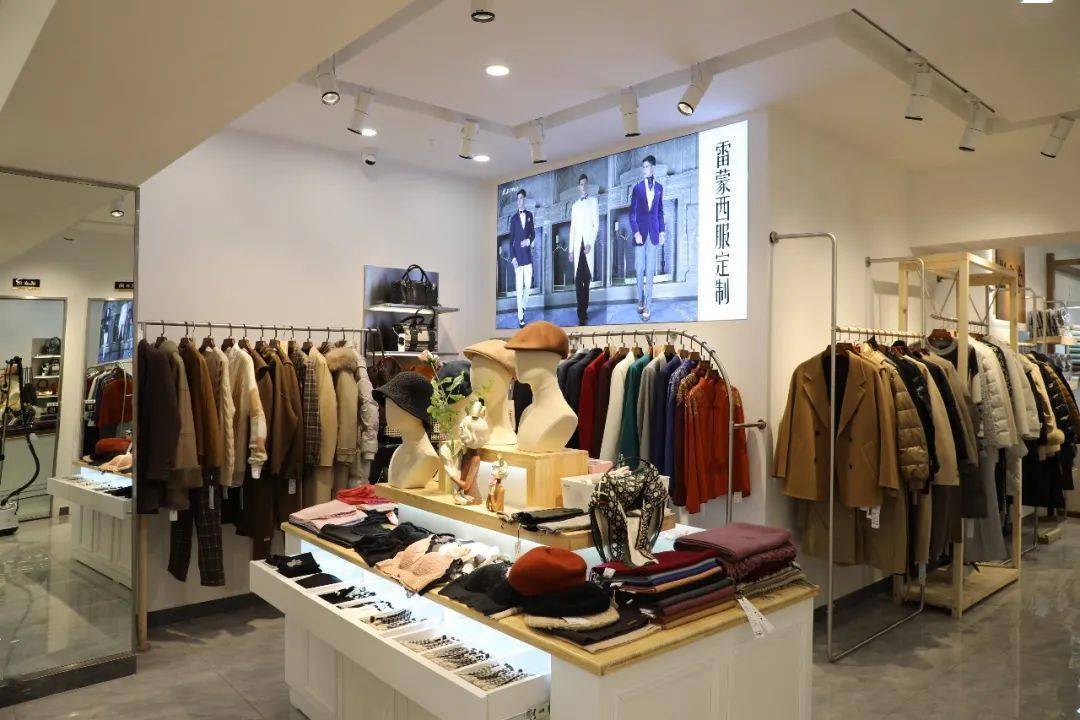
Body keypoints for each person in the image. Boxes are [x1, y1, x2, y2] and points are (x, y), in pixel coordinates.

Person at [628, 154, 665, 321]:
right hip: (640, 234)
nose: (644, 169)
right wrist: (635, 232)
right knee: (639, 269)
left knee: (650, 271)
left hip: (654, 234)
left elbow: (660, 212)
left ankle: (648, 305)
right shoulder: (637, 188)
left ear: (653, 168)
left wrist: (662, 231)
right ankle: (640, 300)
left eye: (647, 167)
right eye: (643, 167)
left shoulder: (659, 188)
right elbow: (632, 214)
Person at [569, 173, 599, 326]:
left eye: (586, 183)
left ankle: (584, 310)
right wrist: (570, 250)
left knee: (586, 280)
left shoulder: (593, 201)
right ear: (578, 187)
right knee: (577, 280)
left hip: (587, 247)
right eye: (581, 184)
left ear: (588, 185)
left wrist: (590, 243)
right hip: (577, 247)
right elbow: (572, 228)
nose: (584, 186)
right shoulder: (574, 206)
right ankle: (580, 313)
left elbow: (596, 225)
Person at [508, 188, 535, 328]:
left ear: (525, 199)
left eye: (521, 198)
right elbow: (510, 240)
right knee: (519, 288)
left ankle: (523, 306)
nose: (519, 201)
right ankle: (520, 317)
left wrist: (529, 241)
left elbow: (533, 233)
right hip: (518, 259)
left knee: (528, 285)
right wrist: (513, 258)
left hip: (528, 257)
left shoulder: (530, 215)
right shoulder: (513, 219)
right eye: (518, 199)